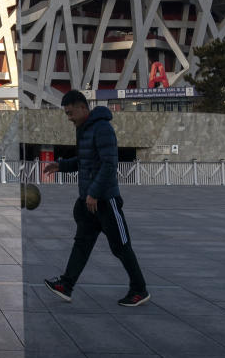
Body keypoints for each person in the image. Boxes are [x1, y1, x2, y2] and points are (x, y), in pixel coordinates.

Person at [42, 90, 150, 307]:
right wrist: (61, 165)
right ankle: (66, 284)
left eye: (71, 113)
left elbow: (109, 165)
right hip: (88, 202)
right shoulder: (84, 129)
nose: (69, 118)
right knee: (81, 244)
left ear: (83, 107)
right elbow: (85, 161)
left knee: (121, 246)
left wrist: (94, 193)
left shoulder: (102, 128)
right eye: (67, 114)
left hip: (105, 201)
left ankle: (139, 290)